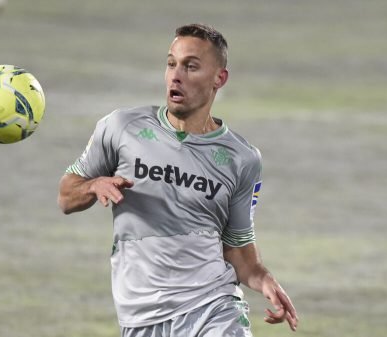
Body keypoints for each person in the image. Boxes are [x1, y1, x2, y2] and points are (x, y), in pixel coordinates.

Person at [57, 23, 298, 337]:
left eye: (191, 66)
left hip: (213, 307)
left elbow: (238, 250)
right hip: (141, 317)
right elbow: (65, 196)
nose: (176, 75)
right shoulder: (121, 128)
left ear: (219, 79)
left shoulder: (242, 159)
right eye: (171, 64)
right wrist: (92, 186)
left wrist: (263, 279)